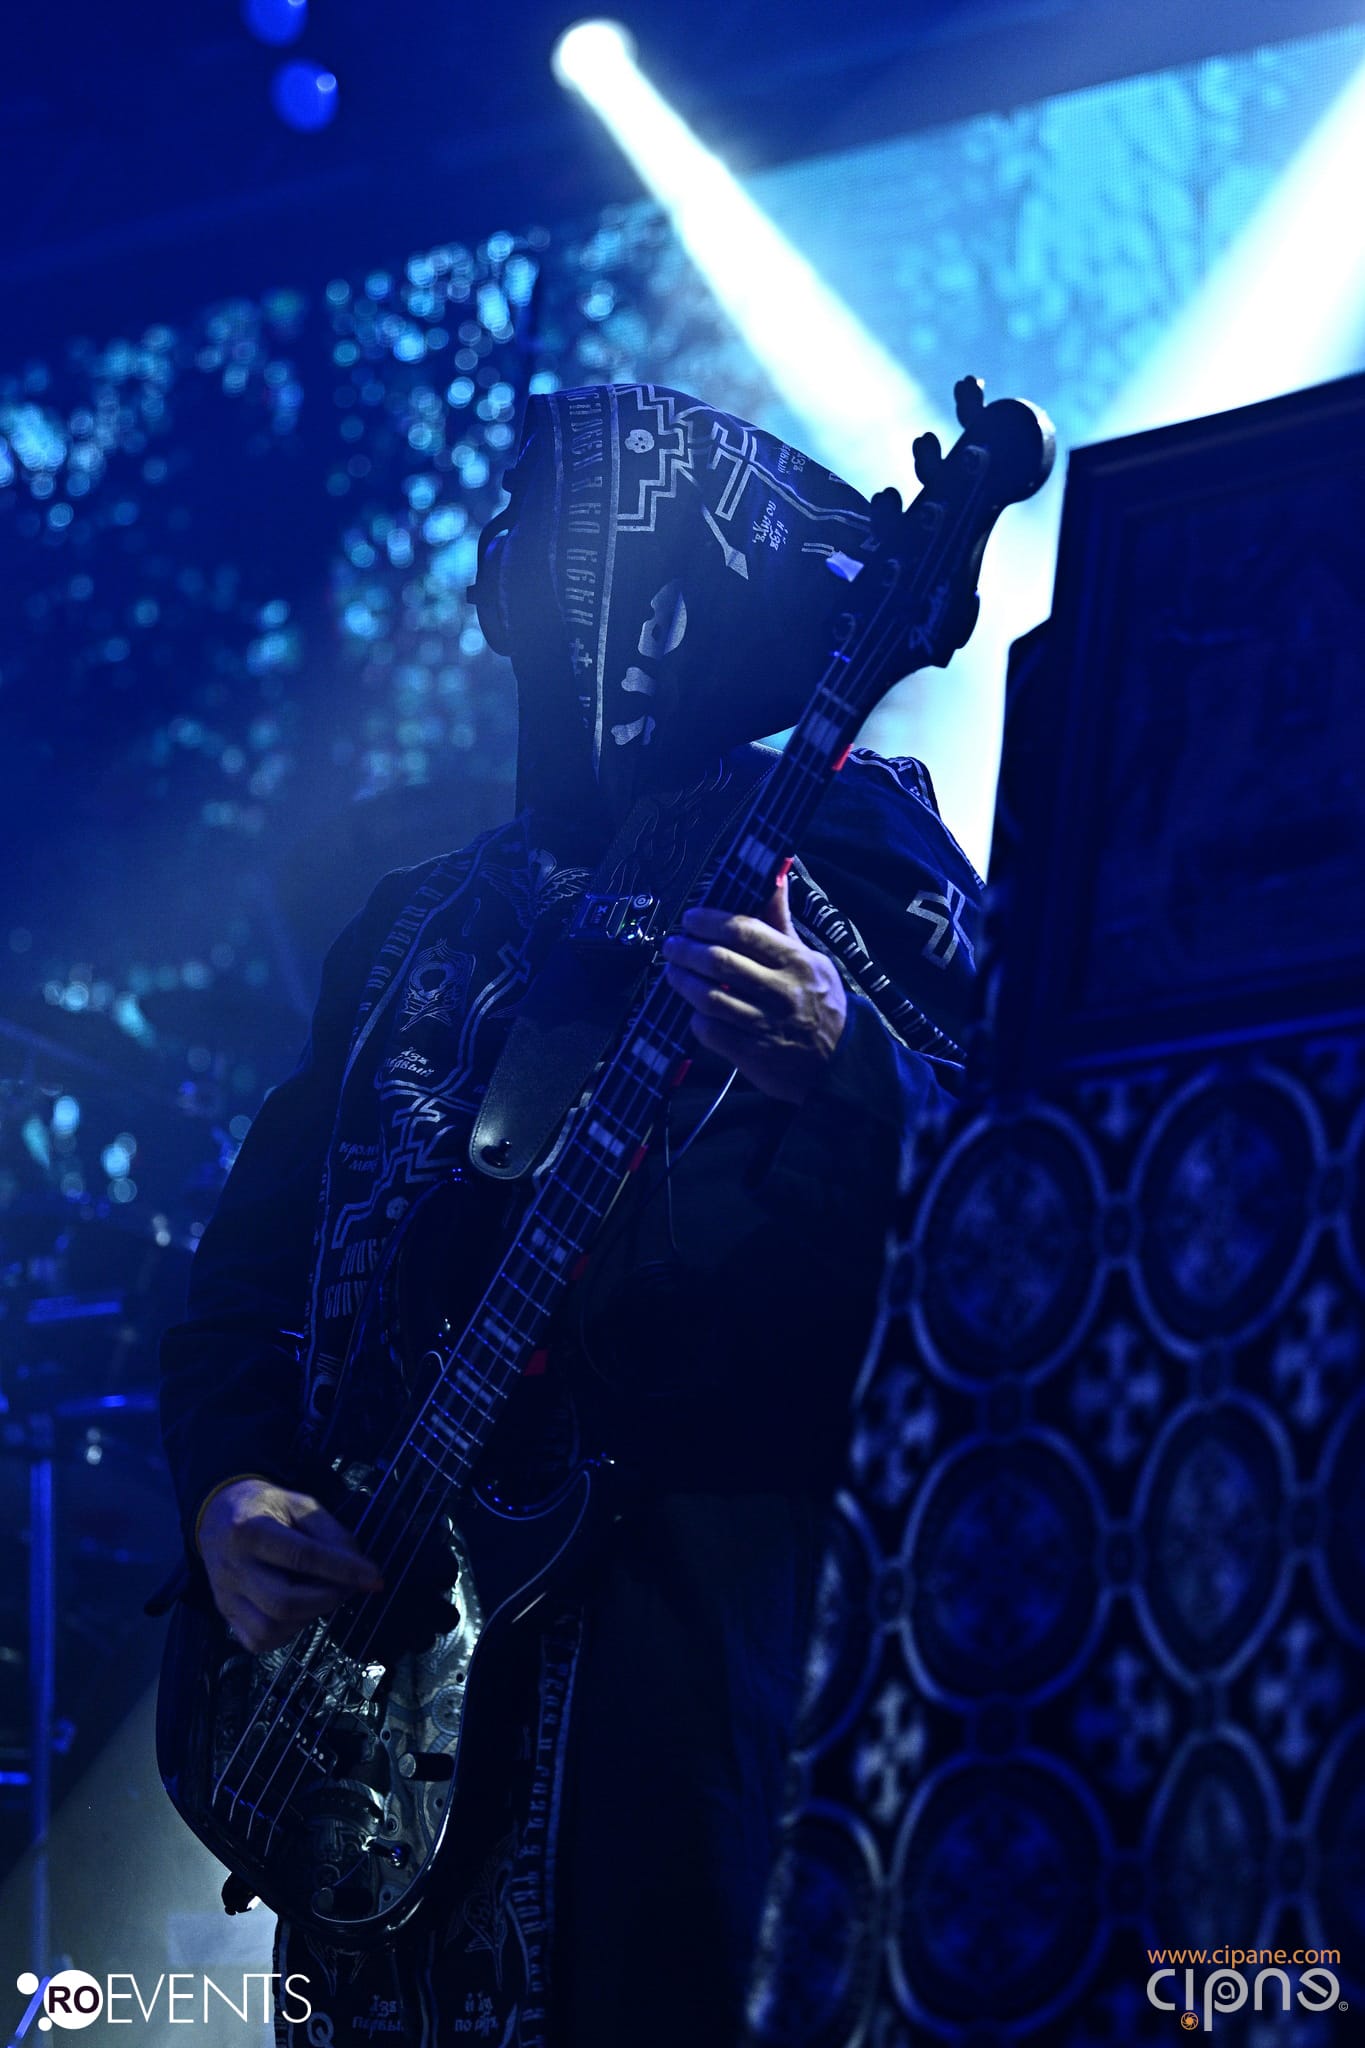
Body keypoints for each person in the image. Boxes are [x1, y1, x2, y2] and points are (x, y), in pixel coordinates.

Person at [158, 382, 982, 2048]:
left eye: (535, 529)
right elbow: (248, 1273)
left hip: (680, 1669)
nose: (495, 570)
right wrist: (230, 1488)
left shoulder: (847, 839)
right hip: (368, 1687)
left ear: (657, 585)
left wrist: (849, 1063)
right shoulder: (410, 922)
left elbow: (1035, 1200)